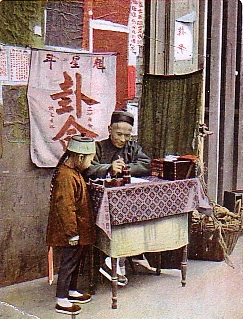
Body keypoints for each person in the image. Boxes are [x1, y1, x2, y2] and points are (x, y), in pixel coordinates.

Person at [84, 110, 152, 285]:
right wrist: (109, 168)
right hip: (99, 205)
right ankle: (116, 260)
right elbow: (89, 168)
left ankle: (124, 258)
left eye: (127, 135)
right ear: (109, 130)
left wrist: (126, 168)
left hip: (127, 203)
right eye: (119, 134)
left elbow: (145, 164)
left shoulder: (133, 147)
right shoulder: (98, 147)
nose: (123, 139)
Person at [46, 135, 96, 316]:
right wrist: (72, 233)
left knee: (76, 261)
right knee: (68, 263)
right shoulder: (66, 176)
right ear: (80, 157)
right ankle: (61, 299)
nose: (91, 163)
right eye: (90, 159)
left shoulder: (73, 172)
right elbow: (66, 208)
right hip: (70, 232)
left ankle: (72, 291)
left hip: (78, 230)